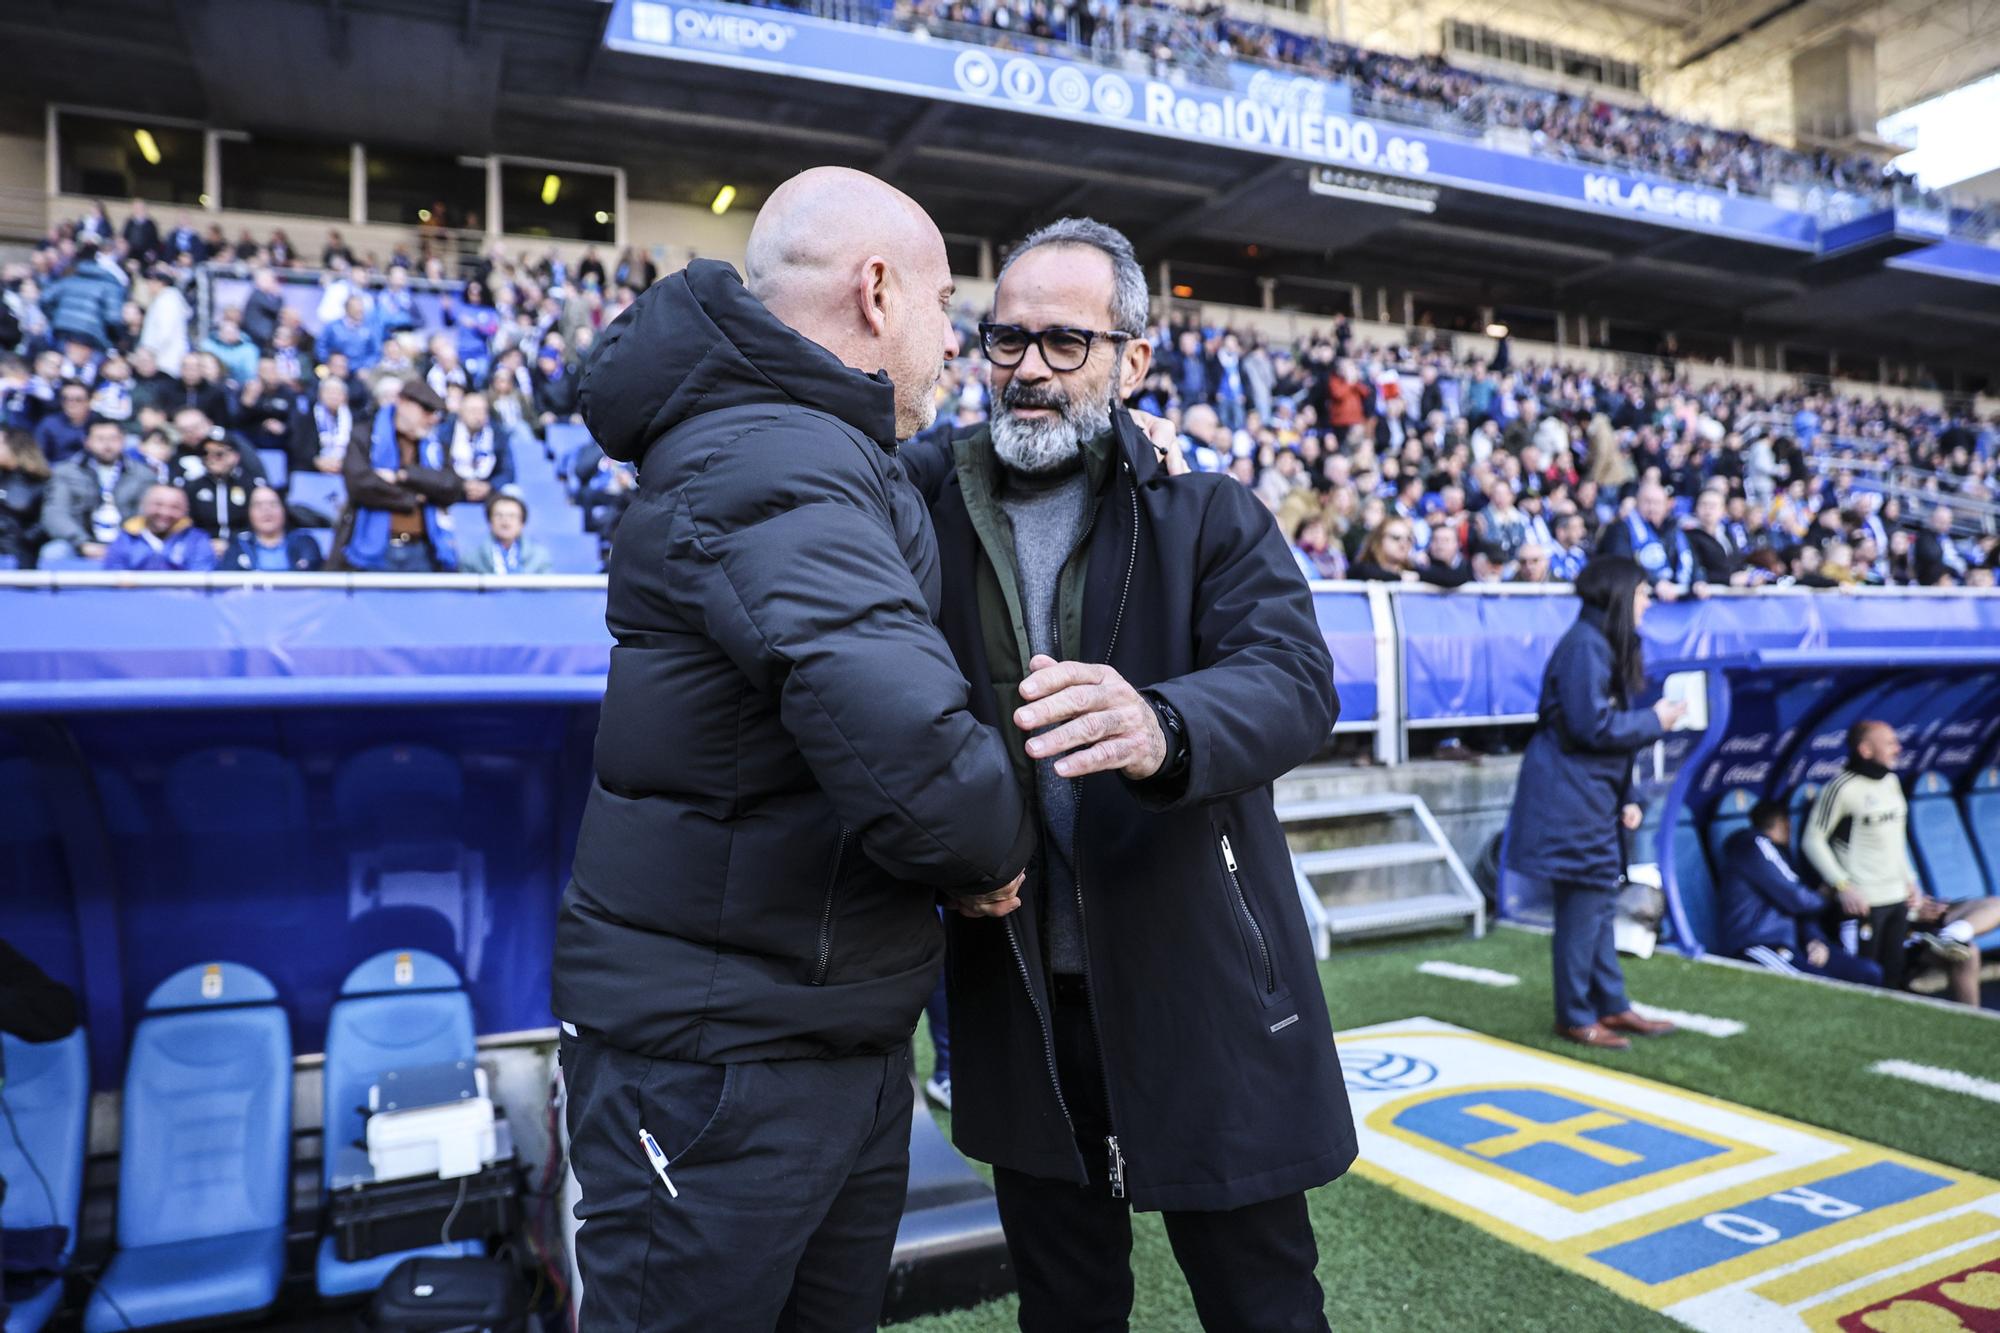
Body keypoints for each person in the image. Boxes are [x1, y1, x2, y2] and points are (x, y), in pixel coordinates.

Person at [553, 167, 1034, 1332]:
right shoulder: (770, 459)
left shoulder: (795, 449)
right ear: (876, 292)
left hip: (796, 1036)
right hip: (730, 1062)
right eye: (942, 302)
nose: (954, 342)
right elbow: (928, 772)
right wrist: (988, 856)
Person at [900, 217, 1350, 1333]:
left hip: (1197, 985)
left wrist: (1164, 724)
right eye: (1008, 342)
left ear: (1132, 359)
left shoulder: (1207, 510)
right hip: (1017, 993)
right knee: (1063, 1307)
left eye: (1065, 343)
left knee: (1261, 1305)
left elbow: (1295, 682)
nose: (1031, 372)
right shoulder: (924, 501)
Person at [1504, 557, 1687, 1049]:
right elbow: (1593, 728)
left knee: (1599, 905)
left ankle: (1611, 1004)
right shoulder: (1586, 646)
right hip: (1570, 799)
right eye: (1643, 593)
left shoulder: (1597, 643)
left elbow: (1597, 732)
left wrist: (1627, 795)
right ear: (1620, 595)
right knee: (1584, 907)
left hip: (1589, 795)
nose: (1648, 602)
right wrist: (1656, 722)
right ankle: (1575, 1015)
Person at [1802, 721, 1922, 990]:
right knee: (1862, 982)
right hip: (1863, 903)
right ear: (1866, 750)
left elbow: (1895, 839)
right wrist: (1842, 885)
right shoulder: (1841, 788)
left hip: (1897, 897)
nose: (1898, 749)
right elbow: (1812, 840)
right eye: (1890, 743)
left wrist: (1910, 880)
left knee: (1894, 979)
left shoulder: (1891, 781)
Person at [1718, 802, 1882, 985]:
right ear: (1784, 824)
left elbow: (1799, 908)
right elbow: (1798, 900)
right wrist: (1827, 896)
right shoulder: (1755, 845)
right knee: (1821, 986)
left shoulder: (1782, 854)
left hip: (1797, 945)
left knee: (1869, 973)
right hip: (1760, 945)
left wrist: (1815, 940)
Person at [337, 378, 471, 572]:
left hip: (422, 549)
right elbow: (360, 484)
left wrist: (403, 476)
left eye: (435, 413)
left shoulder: (435, 446)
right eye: (426, 410)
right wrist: (413, 498)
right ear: (403, 402)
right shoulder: (365, 435)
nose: (432, 418)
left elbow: (451, 486)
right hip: (375, 549)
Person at [39, 418, 150, 564]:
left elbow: (147, 514)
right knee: (53, 553)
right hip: (80, 541)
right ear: (87, 442)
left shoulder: (143, 474)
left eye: (113, 438)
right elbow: (55, 513)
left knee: (151, 553)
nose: (107, 444)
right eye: (100, 439)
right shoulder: (66, 472)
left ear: (123, 440)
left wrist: (126, 543)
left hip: (129, 541)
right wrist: (82, 542)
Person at [1596, 480, 1697, 601]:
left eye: (1657, 503)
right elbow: (1622, 565)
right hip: (1634, 603)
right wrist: (1655, 583)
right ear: (1637, 503)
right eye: (1647, 502)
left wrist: (1699, 580)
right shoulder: (1620, 529)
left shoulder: (1675, 531)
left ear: (1667, 505)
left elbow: (1693, 561)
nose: (1652, 508)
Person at [102, 483, 216, 571]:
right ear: (143, 505)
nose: (165, 513)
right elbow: (114, 576)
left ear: (186, 510)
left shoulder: (197, 540)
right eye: (158, 504)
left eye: (175, 507)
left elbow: (201, 578)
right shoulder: (126, 538)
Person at [179, 433, 256, 549]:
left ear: (235, 456)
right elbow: (185, 522)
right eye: (205, 453)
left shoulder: (251, 485)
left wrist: (232, 544)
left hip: (244, 545)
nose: (211, 458)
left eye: (219, 454)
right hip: (202, 546)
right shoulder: (192, 486)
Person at [223, 484, 323, 571]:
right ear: (249, 513)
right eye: (258, 505)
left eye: (273, 504)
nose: (266, 510)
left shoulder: (304, 542)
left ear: (284, 510)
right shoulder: (239, 544)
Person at [457, 493, 551, 575]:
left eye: (512, 516)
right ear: (490, 521)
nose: (505, 521)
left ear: (522, 523)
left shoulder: (539, 557)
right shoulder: (472, 558)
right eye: (499, 515)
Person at [0, 433, 50, 569]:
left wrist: (25, 542)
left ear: (14, 447)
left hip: (22, 553)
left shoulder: (40, 482)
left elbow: (46, 521)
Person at [32, 382, 93, 465]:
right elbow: (38, 457)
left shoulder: (99, 424)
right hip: (57, 473)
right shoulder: (49, 424)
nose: (71, 404)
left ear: (88, 401)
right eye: (66, 399)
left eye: (78, 400)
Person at [1350, 516, 1421, 581]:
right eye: (1396, 537)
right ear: (1379, 540)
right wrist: (1400, 577)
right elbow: (1364, 572)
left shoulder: (1412, 571)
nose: (1404, 544)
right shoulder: (1362, 569)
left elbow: (1430, 575)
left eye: (1408, 539)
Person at [1914, 504, 1968, 586]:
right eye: (1941, 521)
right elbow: (1932, 559)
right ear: (1932, 520)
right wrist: (1954, 571)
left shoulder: (1946, 538)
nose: (1945, 525)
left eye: (1948, 522)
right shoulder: (1924, 538)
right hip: (1932, 582)